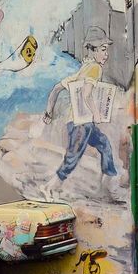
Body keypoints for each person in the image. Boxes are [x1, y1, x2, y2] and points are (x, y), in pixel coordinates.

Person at [42, 26, 123, 203]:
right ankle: (48, 187)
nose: (106, 54)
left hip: (81, 122)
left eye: (106, 50)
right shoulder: (94, 69)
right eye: (103, 50)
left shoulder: (84, 69)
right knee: (72, 158)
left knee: (104, 145)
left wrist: (49, 111)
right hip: (81, 124)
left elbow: (56, 89)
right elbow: (86, 94)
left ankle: (107, 187)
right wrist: (97, 114)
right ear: (93, 50)